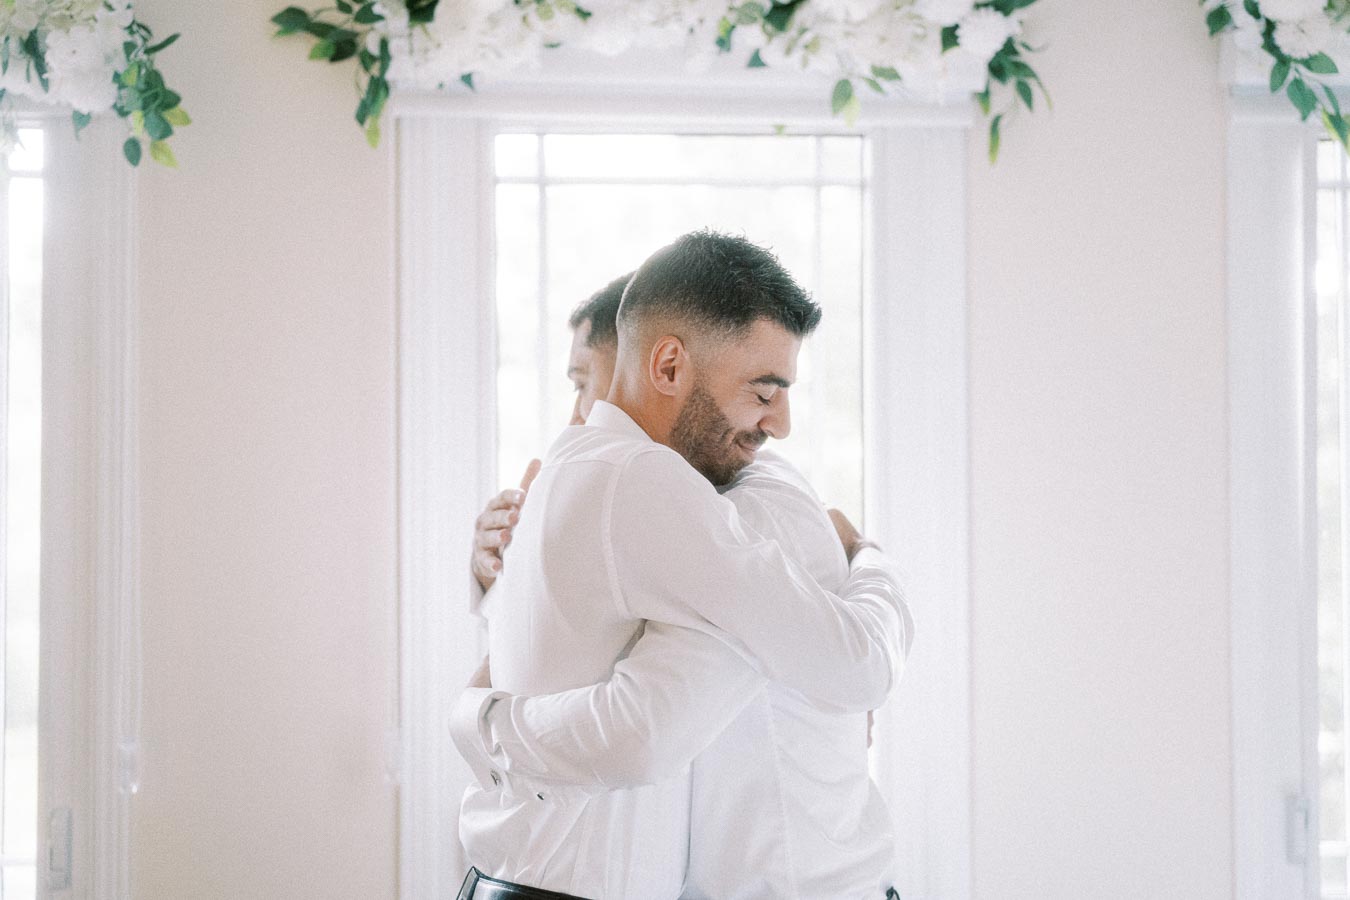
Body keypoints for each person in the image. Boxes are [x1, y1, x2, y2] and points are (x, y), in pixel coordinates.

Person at [452, 231, 911, 899]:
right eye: (763, 390)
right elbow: (857, 665)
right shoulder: (640, 480)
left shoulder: (597, 475)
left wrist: (481, 717)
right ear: (668, 366)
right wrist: (869, 559)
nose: (780, 422)